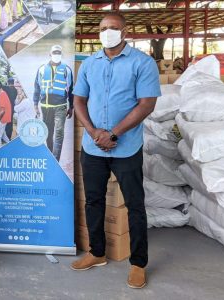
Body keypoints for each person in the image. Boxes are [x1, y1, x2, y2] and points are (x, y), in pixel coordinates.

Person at [71, 13, 161, 289]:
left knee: (135, 205)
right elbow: (79, 100)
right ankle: (96, 253)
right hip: (93, 147)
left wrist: (114, 134)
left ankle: (138, 264)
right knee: (93, 201)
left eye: (113, 28)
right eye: (103, 29)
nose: (107, 32)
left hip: (126, 148)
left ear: (125, 31)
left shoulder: (142, 63)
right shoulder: (89, 64)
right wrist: (93, 132)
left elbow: (146, 104)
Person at [33, 44, 73, 162]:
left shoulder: (67, 69)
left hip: (61, 106)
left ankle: (55, 159)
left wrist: (71, 106)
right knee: (48, 132)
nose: (56, 55)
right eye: (54, 53)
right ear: (49, 54)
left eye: (58, 53)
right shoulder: (41, 69)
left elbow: (71, 89)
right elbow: (37, 87)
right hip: (45, 107)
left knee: (59, 132)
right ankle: (50, 153)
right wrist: (35, 105)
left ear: (61, 55)